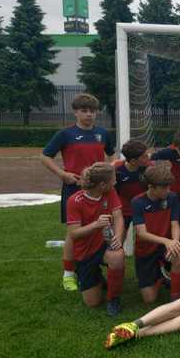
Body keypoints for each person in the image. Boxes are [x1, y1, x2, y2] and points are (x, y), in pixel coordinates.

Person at [41, 92, 114, 293]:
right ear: (75, 112)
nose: (89, 114)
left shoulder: (102, 133)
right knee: (73, 234)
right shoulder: (65, 134)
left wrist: (107, 173)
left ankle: (94, 268)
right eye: (84, 110)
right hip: (74, 188)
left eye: (92, 111)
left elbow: (111, 153)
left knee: (99, 228)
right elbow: (45, 156)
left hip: (99, 190)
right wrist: (62, 174)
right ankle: (68, 274)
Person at [66, 162, 125, 316]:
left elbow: (118, 216)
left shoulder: (110, 192)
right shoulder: (74, 201)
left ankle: (114, 299)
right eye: (113, 180)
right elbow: (74, 234)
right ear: (102, 184)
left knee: (118, 256)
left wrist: (118, 237)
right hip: (84, 252)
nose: (115, 182)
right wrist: (96, 225)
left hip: (103, 245)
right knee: (93, 303)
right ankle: (96, 277)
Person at [131, 162, 180, 302]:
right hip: (145, 251)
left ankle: (176, 297)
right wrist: (166, 241)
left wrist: (174, 241)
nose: (168, 190)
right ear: (151, 187)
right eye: (164, 188)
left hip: (164, 248)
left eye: (169, 186)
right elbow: (142, 233)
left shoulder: (172, 197)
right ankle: (159, 277)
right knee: (149, 299)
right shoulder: (137, 202)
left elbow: (175, 224)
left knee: (178, 252)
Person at [113, 138, 149, 237]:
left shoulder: (149, 168)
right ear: (133, 161)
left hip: (143, 209)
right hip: (123, 211)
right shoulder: (116, 170)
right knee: (118, 239)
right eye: (144, 156)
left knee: (145, 238)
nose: (148, 157)